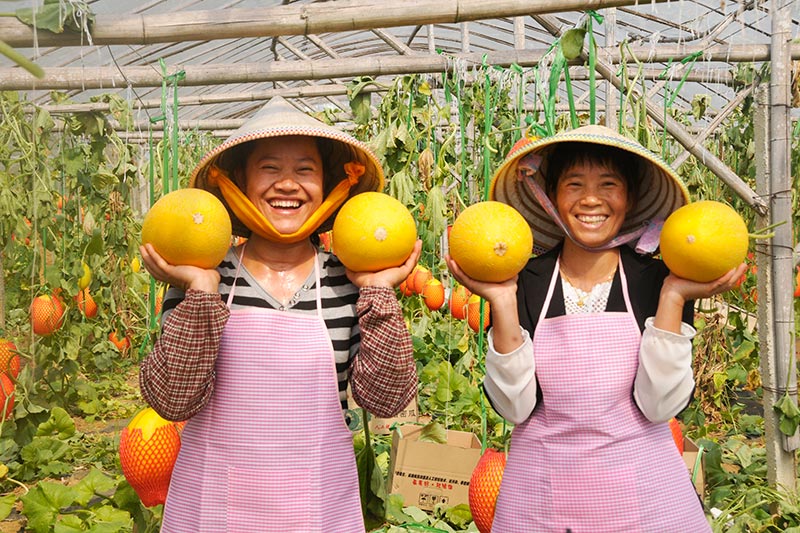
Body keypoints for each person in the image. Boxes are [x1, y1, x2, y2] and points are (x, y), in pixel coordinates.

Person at [445, 125, 747, 533]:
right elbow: (515, 408)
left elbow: (660, 407)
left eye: (609, 184)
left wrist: (674, 297)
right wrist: (501, 302)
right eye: (574, 184)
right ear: (551, 196)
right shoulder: (525, 282)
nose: (591, 199)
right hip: (542, 504)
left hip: (646, 504)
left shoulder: (655, 282)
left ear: (630, 198)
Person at [138, 96, 420, 532]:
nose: (287, 184)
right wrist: (200, 294)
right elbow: (172, 400)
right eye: (269, 168)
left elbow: (386, 400)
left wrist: (381, 293)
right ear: (240, 184)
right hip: (213, 507)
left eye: (304, 170)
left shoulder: (350, 281)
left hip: (316, 508)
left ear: (328, 188)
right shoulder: (206, 276)